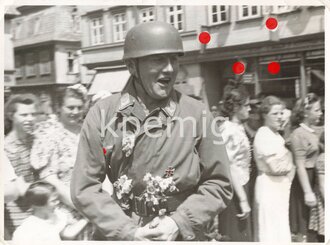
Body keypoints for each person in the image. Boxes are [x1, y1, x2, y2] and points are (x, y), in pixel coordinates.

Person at [70, 21, 232, 241]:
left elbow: (219, 183)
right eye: (158, 59)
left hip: (180, 234)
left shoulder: (198, 113)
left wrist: (179, 222)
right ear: (131, 66)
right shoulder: (103, 114)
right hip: (122, 231)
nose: (169, 68)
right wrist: (128, 232)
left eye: (174, 59)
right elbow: (85, 188)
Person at [30, 84, 90, 239]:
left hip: (93, 206)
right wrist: (82, 207)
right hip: (65, 212)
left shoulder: (87, 131)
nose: (75, 112)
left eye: (79, 107)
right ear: (59, 107)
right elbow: (49, 178)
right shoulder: (48, 134)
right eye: (70, 107)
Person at [253, 96, 295, 242]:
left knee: (281, 229)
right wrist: (289, 162)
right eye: (274, 114)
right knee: (271, 231)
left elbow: (285, 164)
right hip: (269, 187)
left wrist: (287, 162)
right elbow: (276, 167)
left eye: (281, 113)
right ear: (265, 115)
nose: (279, 117)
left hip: (280, 187)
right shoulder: (263, 134)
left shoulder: (276, 135)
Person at [217, 82, 253, 241]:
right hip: (234, 190)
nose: (250, 109)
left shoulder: (238, 127)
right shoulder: (229, 130)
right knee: (236, 235)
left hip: (243, 184)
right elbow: (229, 165)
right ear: (236, 108)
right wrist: (243, 199)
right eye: (247, 105)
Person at [4, 94, 39, 237]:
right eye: (24, 115)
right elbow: (19, 188)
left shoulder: (37, 140)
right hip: (20, 217)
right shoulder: (6, 148)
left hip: (43, 209)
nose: (30, 119)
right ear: (11, 116)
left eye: (33, 114)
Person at [289, 93, 323, 242]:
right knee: (307, 226)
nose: (321, 113)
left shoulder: (315, 130)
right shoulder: (298, 134)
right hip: (306, 179)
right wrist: (307, 192)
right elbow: (300, 164)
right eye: (317, 110)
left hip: (317, 178)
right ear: (305, 112)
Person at [12, 181, 88, 243]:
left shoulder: (56, 216)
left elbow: (68, 234)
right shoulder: (28, 229)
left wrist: (86, 219)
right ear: (39, 205)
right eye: (53, 201)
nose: (58, 202)